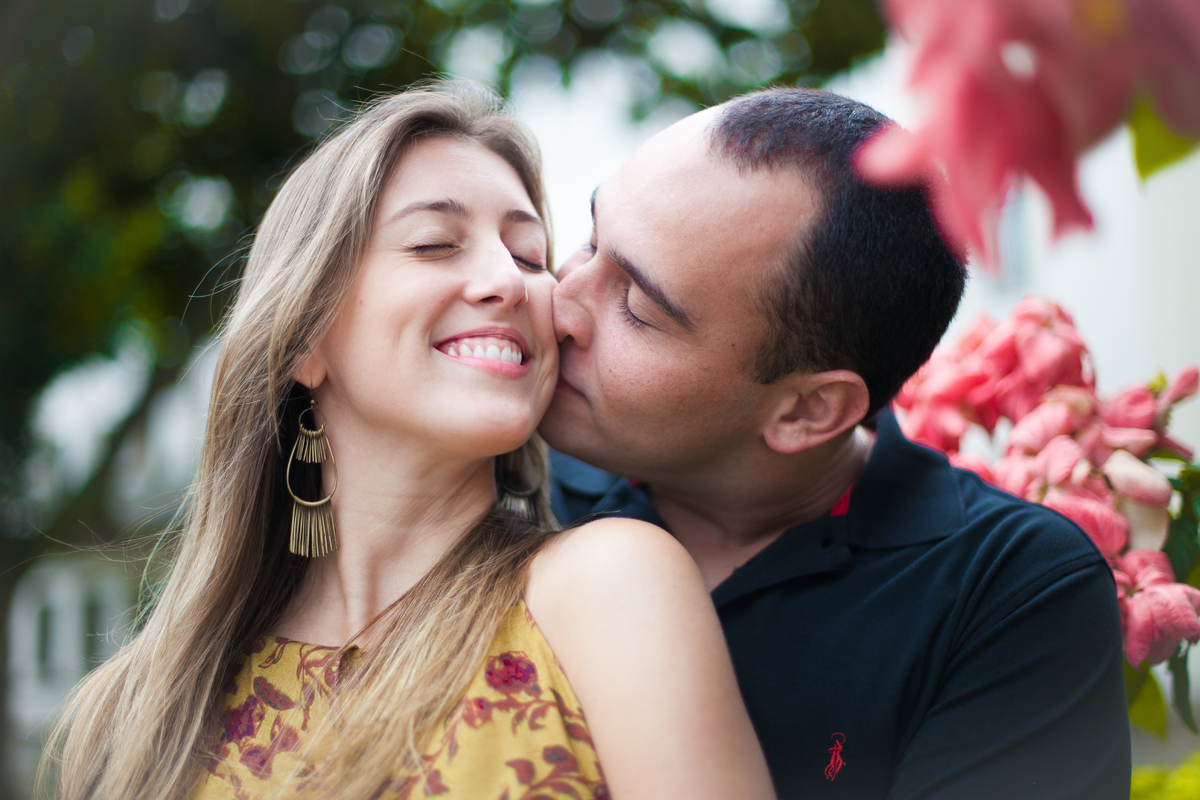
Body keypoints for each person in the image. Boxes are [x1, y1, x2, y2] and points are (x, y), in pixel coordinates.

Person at [41, 83, 777, 800]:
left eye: (527, 254)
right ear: (304, 339)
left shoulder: (605, 589)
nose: (510, 282)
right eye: (434, 243)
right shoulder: (134, 714)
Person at [541, 88, 1131, 799]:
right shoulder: (498, 479)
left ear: (809, 411)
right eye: (590, 238)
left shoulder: (1007, 592)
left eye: (637, 308)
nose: (559, 302)